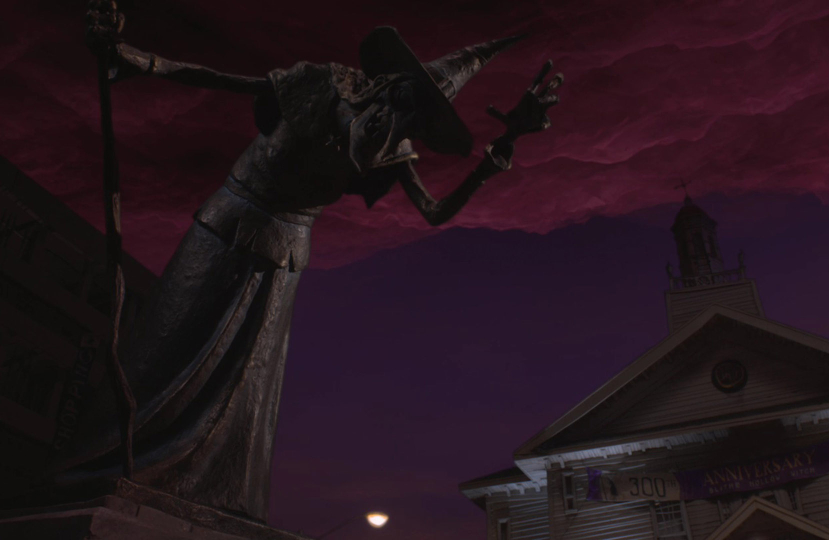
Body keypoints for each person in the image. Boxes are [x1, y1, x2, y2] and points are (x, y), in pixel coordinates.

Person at [63, 1, 563, 521]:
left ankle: (207, 490)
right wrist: (138, 60)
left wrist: (503, 145)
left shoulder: (392, 146)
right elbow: (225, 81)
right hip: (230, 221)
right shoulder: (321, 84)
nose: (401, 121)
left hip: (283, 256)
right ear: (386, 84)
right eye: (404, 101)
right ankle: (108, 462)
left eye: (416, 119)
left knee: (245, 385)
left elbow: (434, 211)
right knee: (166, 342)